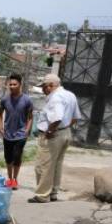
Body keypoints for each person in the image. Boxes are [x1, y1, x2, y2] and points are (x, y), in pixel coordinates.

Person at [28, 73, 81, 203]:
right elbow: (75, 117)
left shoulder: (55, 97)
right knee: (56, 165)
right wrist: (64, 128)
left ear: (51, 86)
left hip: (53, 135)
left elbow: (57, 117)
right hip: (65, 133)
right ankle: (53, 193)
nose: (43, 90)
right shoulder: (70, 95)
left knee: (43, 166)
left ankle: (42, 195)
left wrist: (50, 131)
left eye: (44, 87)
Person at [0, 73, 33, 190]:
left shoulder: (27, 100)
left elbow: (30, 117)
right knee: (8, 158)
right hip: (7, 134)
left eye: (14, 84)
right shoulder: (4, 99)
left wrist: (27, 130)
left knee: (17, 157)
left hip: (21, 134)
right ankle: (10, 178)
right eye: (10, 84)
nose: (11, 86)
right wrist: (0, 127)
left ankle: (15, 179)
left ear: (20, 85)